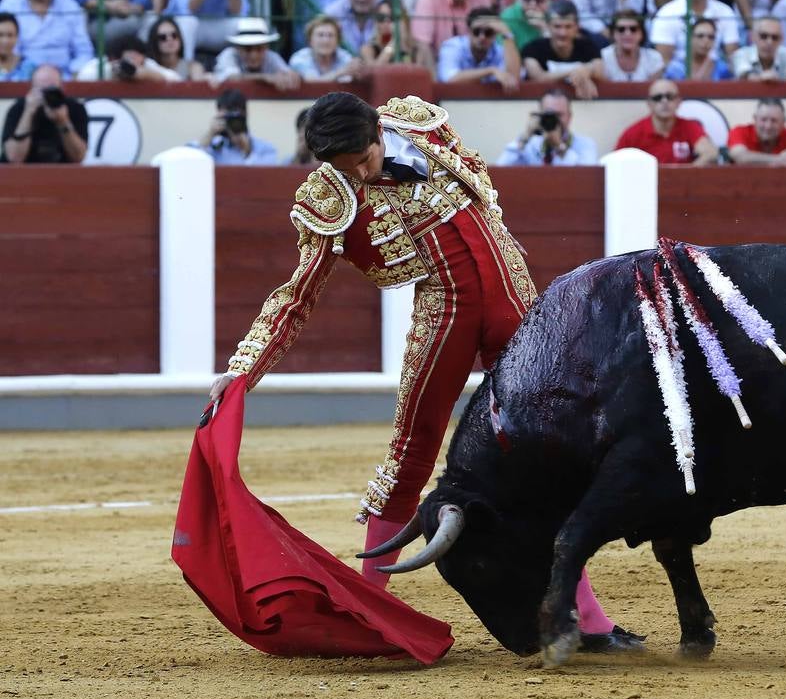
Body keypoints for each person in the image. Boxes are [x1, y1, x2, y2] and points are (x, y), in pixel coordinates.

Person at [206, 90, 644, 654]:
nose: (363, 174)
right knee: (410, 455)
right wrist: (243, 370)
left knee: (550, 455)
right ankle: (371, 611)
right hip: (447, 315)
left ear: (377, 131)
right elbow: (298, 296)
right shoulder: (330, 195)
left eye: (365, 158)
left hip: (517, 302)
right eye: (347, 169)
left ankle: (588, 619)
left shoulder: (420, 125)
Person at [0, 0, 93, 77]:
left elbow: (84, 51)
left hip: (66, 76)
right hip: (20, 75)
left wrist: (73, 71)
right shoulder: (9, 6)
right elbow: (6, 49)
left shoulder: (70, 6)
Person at [650, 0, 740, 66]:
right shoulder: (667, 13)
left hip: (716, 75)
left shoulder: (725, 12)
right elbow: (664, 62)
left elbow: (732, 57)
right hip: (678, 75)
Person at [614, 79, 719, 164]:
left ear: (678, 102)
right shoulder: (633, 133)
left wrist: (686, 176)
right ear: (649, 104)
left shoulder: (689, 127)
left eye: (670, 97)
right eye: (657, 98)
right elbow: (614, 163)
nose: (664, 102)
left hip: (682, 188)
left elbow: (711, 153)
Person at [1, 64, 86, 163]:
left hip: (62, 173)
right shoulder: (18, 109)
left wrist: (63, 121)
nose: (46, 96)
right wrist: (28, 113)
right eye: (41, 90)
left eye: (51, 90)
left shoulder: (74, 108)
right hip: (24, 173)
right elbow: (14, 159)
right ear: (32, 90)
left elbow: (78, 157)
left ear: (62, 88)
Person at [497, 88, 599, 166]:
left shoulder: (585, 145)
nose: (554, 119)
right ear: (540, 114)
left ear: (569, 117)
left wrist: (559, 146)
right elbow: (501, 169)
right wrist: (525, 137)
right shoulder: (531, 144)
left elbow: (585, 177)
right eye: (548, 114)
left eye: (559, 115)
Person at [522, 0, 602, 96]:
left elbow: (600, 71)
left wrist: (587, 70)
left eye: (568, 27)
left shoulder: (588, 46)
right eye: (557, 26)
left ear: (577, 27)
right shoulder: (532, 49)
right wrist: (576, 71)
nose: (563, 33)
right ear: (548, 26)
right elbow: (539, 78)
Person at [189, 88, 279, 165]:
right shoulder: (213, 147)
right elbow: (187, 163)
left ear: (245, 115)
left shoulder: (265, 150)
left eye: (234, 118)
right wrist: (210, 134)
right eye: (226, 118)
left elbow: (264, 179)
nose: (230, 122)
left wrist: (247, 152)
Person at [439, 6, 521, 86]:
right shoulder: (453, 46)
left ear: (495, 35)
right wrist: (490, 71)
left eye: (488, 32)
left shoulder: (498, 51)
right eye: (477, 31)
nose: (482, 37)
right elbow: (449, 79)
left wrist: (507, 34)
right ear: (468, 31)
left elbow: (512, 79)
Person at [211, 17, 302, 89]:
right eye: (248, 49)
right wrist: (264, 77)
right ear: (238, 48)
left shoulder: (271, 56)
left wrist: (291, 76)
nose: (254, 55)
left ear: (266, 47)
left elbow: (287, 74)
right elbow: (232, 78)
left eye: (259, 49)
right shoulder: (229, 54)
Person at [726, 97, 786, 164]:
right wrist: (780, 160)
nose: (768, 126)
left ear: (784, 122)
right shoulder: (739, 131)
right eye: (763, 120)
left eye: (774, 121)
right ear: (755, 119)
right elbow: (741, 157)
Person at [361, 0, 435, 71]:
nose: (386, 22)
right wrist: (392, 44)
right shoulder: (368, 49)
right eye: (381, 18)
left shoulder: (420, 49)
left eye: (393, 17)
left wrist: (403, 47)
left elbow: (418, 75)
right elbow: (374, 71)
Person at [732, 16, 786, 82]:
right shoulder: (741, 54)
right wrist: (761, 78)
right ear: (753, 37)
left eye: (775, 37)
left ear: (781, 40)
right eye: (764, 36)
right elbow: (744, 75)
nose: (769, 42)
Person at [596, 9, 666, 81]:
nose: (627, 34)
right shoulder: (602, 57)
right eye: (621, 29)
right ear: (613, 34)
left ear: (641, 33)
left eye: (633, 29)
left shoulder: (653, 58)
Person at [289, 14, 359, 81]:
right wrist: (341, 72)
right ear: (310, 40)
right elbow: (313, 83)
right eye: (320, 35)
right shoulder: (299, 58)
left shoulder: (345, 57)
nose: (326, 41)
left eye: (330, 35)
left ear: (338, 41)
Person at [665, 16, 733, 80]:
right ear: (690, 38)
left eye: (711, 37)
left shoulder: (722, 69)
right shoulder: (675, 68)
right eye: (700, 36)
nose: (706, 41)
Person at [147, 14, 206, 81]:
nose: (170, 39)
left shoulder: (192, 67)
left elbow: (198, 83)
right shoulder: (148, 68)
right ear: (154, 41)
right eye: (163, 37)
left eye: (174, 35)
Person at [0, 11, 35, 81]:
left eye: (10, 35)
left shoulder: (28, 67)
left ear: (17, 37)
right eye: (0, 35)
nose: (5, 41)